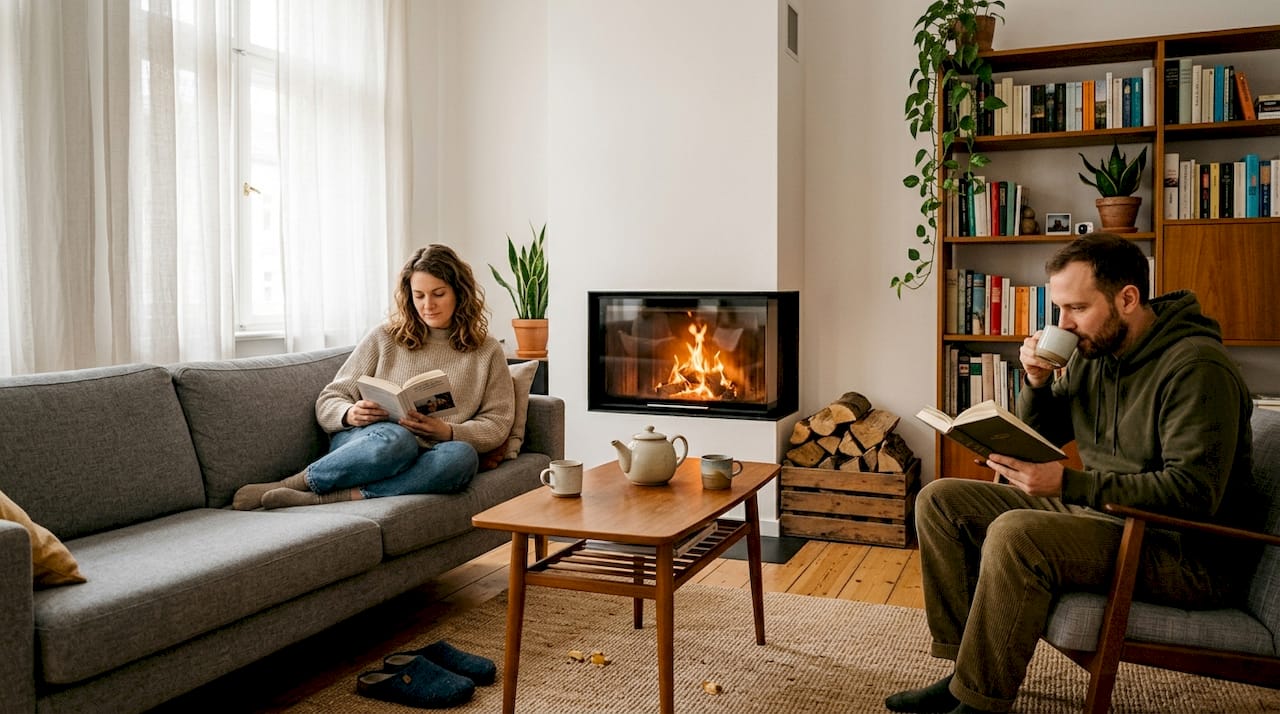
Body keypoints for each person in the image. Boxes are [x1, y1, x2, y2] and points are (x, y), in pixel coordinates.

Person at [887, 233, 1259, 713]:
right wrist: (1037, 382)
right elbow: (1043, 434)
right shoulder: (1094, 356)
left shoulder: (1197, 368)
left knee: (1017, 533)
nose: (1063, 324)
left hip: (1184, 550)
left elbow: (1193, 493)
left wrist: (1066, 484)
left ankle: (979, 705)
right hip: (1107, 517)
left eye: (1077, 308)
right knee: (940, 501)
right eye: (1059, 308)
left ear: (1127, 299)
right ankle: (964, 674)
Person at [233, 244, 515, 510]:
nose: (428, 305)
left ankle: (329, 498)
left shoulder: (486, 350)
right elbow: (331, 398)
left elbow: (497, 422)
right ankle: (294, 483)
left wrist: (449, 432)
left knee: (462, 458)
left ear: (459, 293)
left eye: (438, 294)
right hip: (373, 444)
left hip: (432, 454)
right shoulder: (385, 337)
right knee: (398, 440)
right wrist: (349, 413)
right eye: (419, 296)